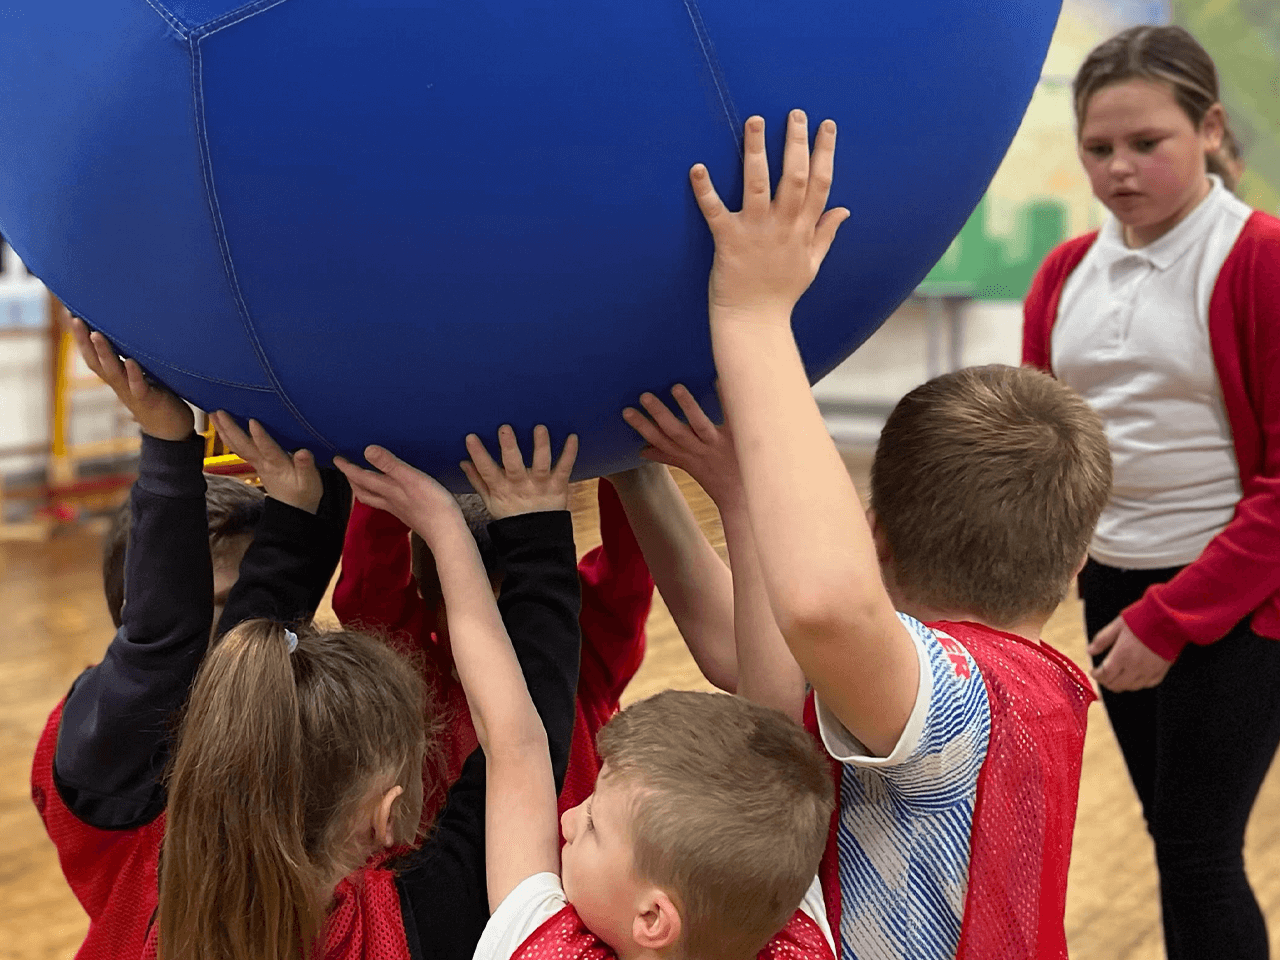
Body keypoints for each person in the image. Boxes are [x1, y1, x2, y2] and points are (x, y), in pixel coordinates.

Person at [619, 109, 1113, 960]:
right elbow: (752, 668)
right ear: (1075, 563)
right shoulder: (1012, 689)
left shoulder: (968, 696)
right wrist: (638, 471)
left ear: (872, 536)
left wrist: (752, 313)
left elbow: (822, 607)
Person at [31, 320, 588, 960]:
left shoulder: (175, 880)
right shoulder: (409, 928)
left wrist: (200, 454)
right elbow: (522, 748)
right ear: (388, 818)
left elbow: (196, 664)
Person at [338, 434, 838, 960]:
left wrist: (414, 495)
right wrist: (627, 457)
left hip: (468, 899)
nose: (568, 815)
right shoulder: (782, 927)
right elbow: (772, 730)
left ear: (653, 918)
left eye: (593, 820)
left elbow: (518, 749)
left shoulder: (541, 940)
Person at [1022, 24, 1280, 960]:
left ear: (1209, 129)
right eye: (1099, 150)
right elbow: (1045, 445)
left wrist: (1170, 621)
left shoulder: (1259, 258)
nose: (1119, 169)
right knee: (1177, 844)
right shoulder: (1062, 274)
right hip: (1112, 592)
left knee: (1200, 850)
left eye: (1146, 144)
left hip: (1237, 601)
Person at [333, 451, 654, 822]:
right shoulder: (418, 687)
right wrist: (392, 461)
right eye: (469, 611)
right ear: (431, 607)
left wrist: (623, 456)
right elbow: (368, 593)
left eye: (512, 613)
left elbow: (631, 563)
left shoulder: (585, 664)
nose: (497, 637)